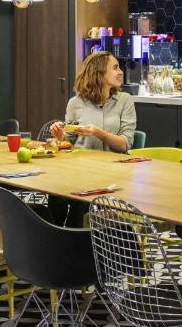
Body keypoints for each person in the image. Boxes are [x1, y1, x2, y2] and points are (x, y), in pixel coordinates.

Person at [48, 51, 137, 225]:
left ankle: (76, 244)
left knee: (80, 201)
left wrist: (99, 133)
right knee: (55, 193)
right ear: (99, 72)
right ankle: (53, 239)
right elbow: (70, 141)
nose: (121, 72)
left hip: (113, 171)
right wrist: (60, 135)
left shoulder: (125, 100)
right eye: (115, 68)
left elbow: (125, 144)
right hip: (80, 169)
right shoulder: (75, 103)